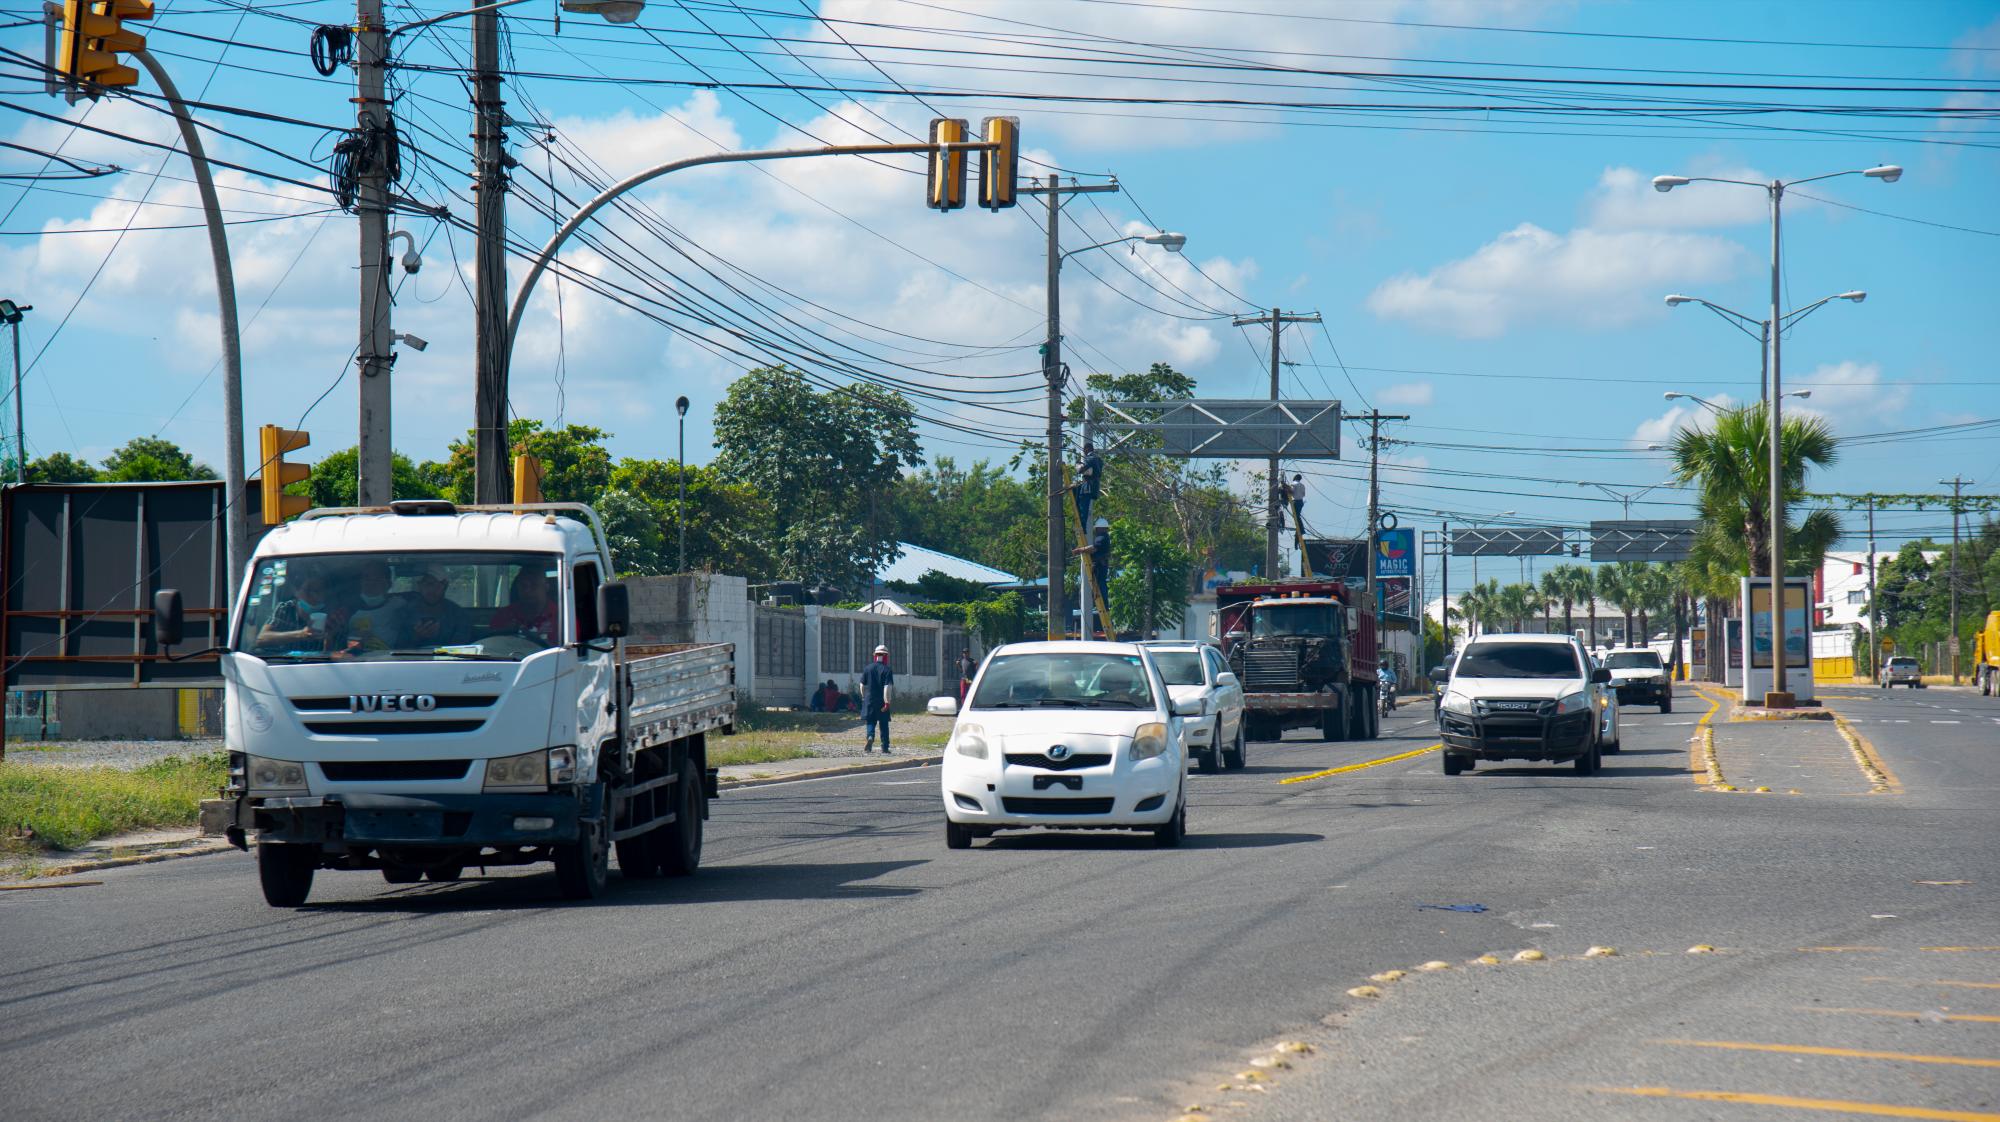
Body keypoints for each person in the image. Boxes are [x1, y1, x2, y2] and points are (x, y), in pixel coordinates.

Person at [254, 566, 342, 653]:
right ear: (296, 592)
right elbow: (261, 639)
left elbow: (337, 657)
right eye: (308, 590)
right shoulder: (286, 609)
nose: (315, 597)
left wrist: (330, 638)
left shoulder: (331, 614)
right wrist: (300, 634)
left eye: (319, 591)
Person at [341, 559, 408, 653]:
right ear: (360, 582)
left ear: (388, 584)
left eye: (377, 578)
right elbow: (337, 652)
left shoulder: (400, 606)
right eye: (367, 578)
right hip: (355, 662)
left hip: (394, 662)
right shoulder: (346, 610)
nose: (371, 583)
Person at [488, 566, 559, 646]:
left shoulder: (561, 617)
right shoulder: (503, 616)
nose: (527, 591)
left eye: (534, 585)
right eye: (523, 586)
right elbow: (492, 646)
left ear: (546, 587)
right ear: (517, 587)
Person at [402, 566, 470, 647]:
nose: (432, 589)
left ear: (445, 586)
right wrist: (416, 637)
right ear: (419, 586)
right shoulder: (404, 613)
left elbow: (460, 648)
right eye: (428, 584)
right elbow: (397, 649)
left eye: (438, 585)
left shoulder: (458, 615)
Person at [860, 643, 894, 752]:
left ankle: (870, 736)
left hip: (869, 699)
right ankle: (884, 747)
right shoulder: (887, 670)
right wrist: (887, 702)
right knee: (883, 724)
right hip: (881, 701)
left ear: (875, 655)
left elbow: (861, 685)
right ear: (885, 656)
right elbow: (887, 687)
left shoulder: (868, 668)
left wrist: (863, 697)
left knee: (870, 721)